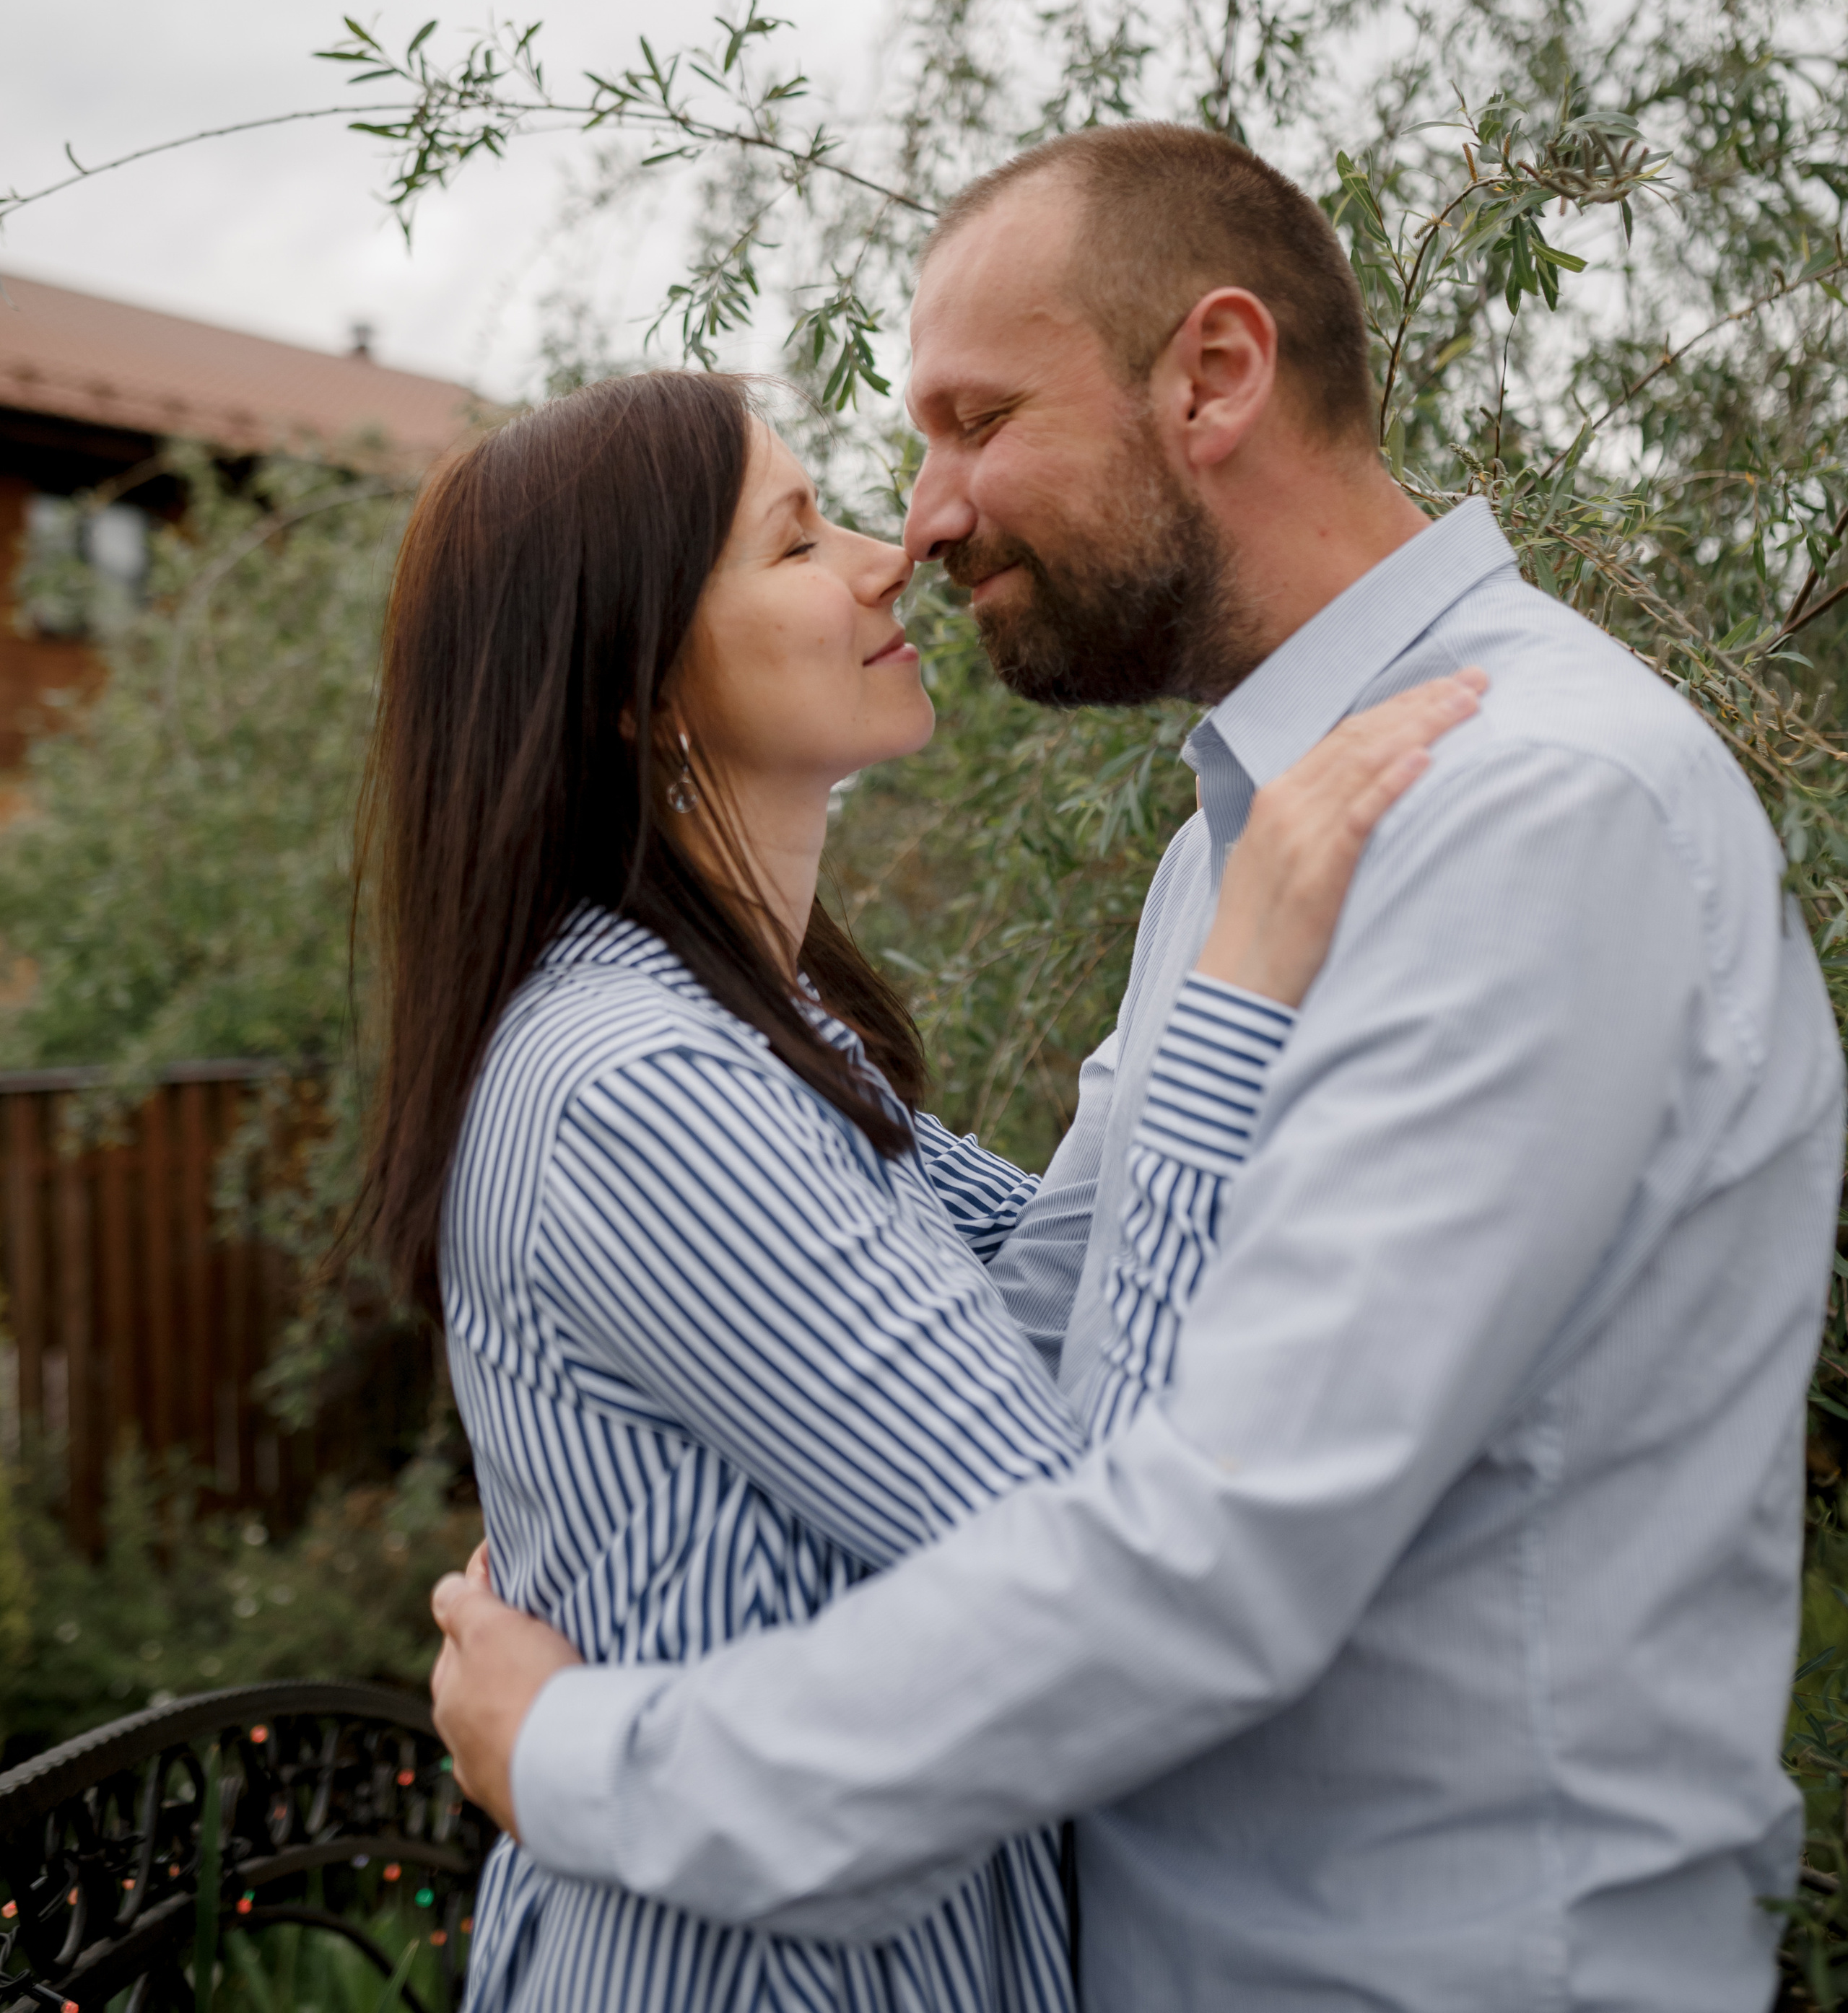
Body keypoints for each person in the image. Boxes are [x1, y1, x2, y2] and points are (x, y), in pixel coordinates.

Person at [430, 123, 1846, 2013]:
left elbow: (1198, 1556)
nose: (923, 521)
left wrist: (593, 1759)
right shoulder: (1238, 853)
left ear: (1216, 376)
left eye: (973, 419)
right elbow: (1051, 1355)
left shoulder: (1524, 810)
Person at [362, 360, 1479, 2012]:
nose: (889, 553)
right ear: (633, 683)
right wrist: (1234, 987)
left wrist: (1198, 926)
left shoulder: (769, 1034)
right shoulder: (641, 1092)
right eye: (798, 537)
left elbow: (1057, 1284)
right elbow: (1094, 1569)